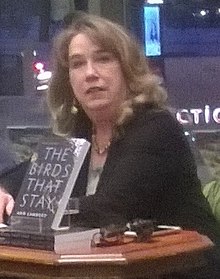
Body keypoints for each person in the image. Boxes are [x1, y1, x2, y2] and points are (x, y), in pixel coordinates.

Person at [0, 12, 219, 249]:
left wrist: (27, 212)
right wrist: (4, 190)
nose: (90, 73)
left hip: (180, 266)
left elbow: (111, 209)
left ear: (128, 70)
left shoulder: (156, 127)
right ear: (68, 79)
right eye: (77, 64)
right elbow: (30, 174)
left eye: (103, 59)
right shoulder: (79, 132)